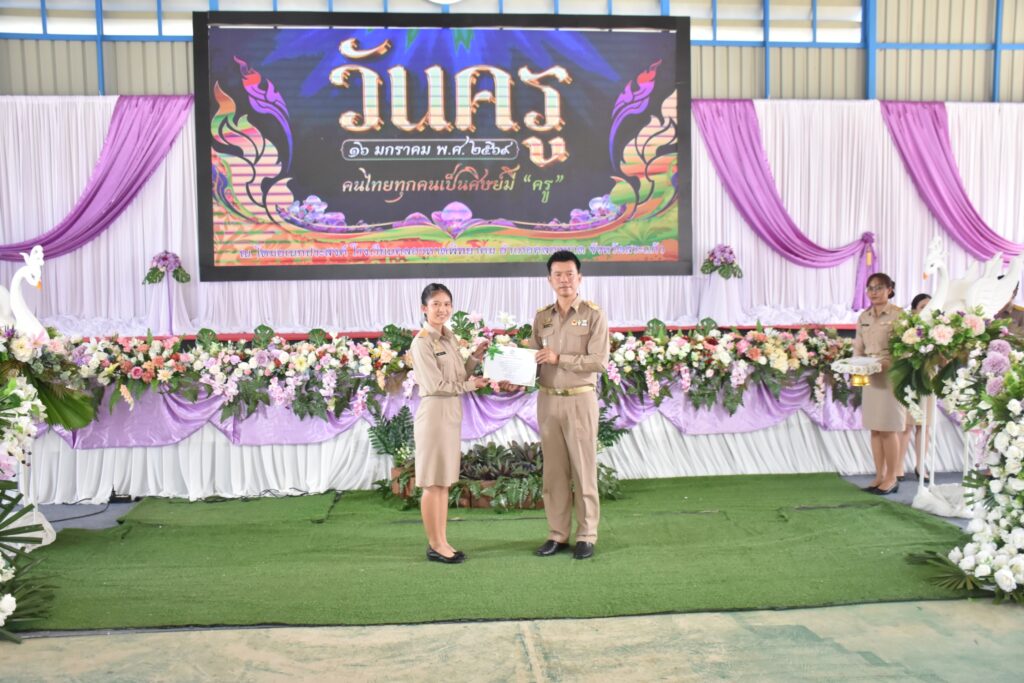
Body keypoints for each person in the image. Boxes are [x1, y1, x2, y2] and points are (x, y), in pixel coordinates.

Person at [530, 251, 609, 560]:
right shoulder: (542, 317)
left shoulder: (593, 315)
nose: (564, 280)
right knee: (554, 473)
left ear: (580, 278)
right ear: (549, 279)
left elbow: (598, 361)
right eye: (558, 275)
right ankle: (557, 534)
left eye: (569, 274)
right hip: (548, 400)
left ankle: (586, 535)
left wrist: (559, 358)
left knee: (583, 470)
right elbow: (533, 358)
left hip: (580, 399)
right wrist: (512, 374)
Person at [409, 283, 489, 564]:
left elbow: (457, 376)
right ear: (424, 309)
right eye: (436, 304)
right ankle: (435, 544)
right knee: (432, 483)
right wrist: (471, 385)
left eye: (446, 304)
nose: (442, 309)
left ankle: (441, 540)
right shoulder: (422, 342)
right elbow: (436, 385)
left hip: (450, 414)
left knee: (443, 482)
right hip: (434, 415)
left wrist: (475, 359)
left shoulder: (449, 337)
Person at [853, 273, 907, 495]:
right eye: (870, 288)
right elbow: (858, 346)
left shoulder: (899, 315)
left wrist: (887, 363)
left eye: (879, 288)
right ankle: (879, 475)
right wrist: (855, 367)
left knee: (888, 429)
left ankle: (892, 477)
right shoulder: (864, 316)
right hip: (870, 376)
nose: (874, 292)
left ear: (889, 290)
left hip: (890, 376)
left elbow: (906, 347)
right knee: (875, 429)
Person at [897, 293, 933, 481]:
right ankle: (898, 466)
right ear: (913, 311)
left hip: (927, 380)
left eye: (929, 306)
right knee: (906, 426)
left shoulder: (938, 329)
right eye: (922, 307)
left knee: (924, 426)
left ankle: (920, 466)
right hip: (909, 379)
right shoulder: (906, 329)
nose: (926, 310)